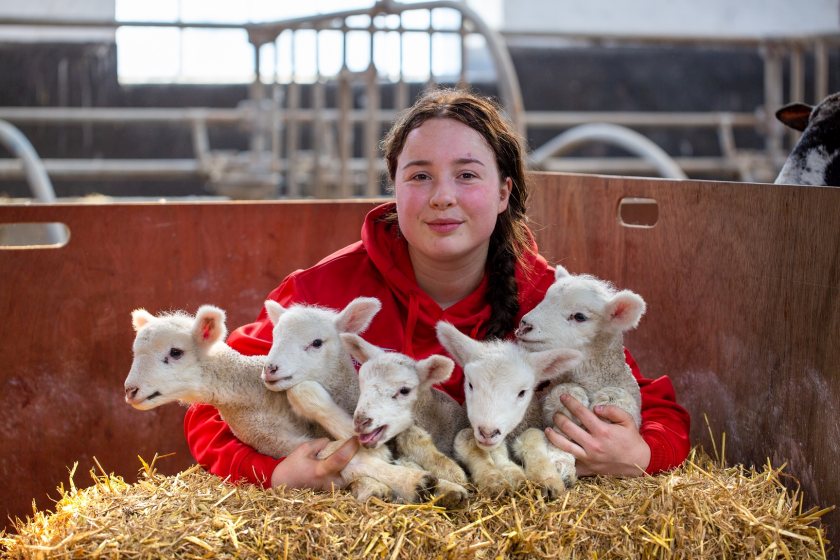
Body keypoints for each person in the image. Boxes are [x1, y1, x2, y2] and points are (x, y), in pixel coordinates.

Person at [184, 87, 691, 491]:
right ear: (395, 188)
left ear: (502, 192)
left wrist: (640, 453)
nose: (442, 197)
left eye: (467, 174)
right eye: (420, 175)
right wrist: (271, 473)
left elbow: (652, 405)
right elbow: (213, 395)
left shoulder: (550, 302)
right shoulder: (323, 294)